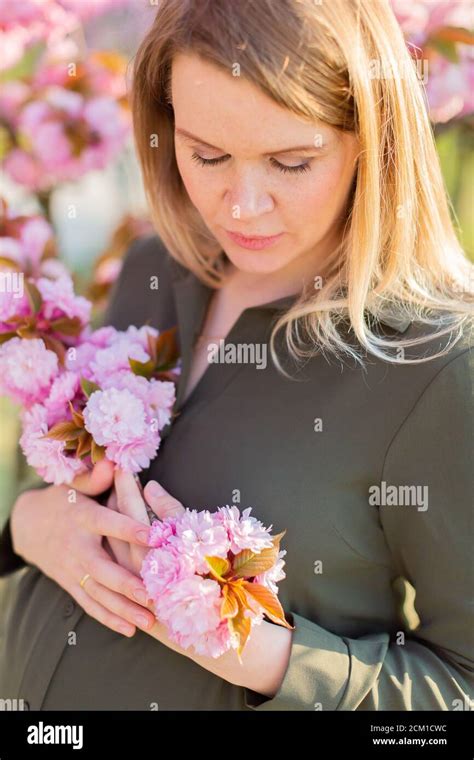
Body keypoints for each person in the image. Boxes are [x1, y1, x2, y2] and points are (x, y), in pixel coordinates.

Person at [0, 0, 472, 711]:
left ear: (371, 143)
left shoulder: (437, 366)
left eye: (291, 162)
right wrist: (30, 527)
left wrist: (262, 655)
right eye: (207, 154)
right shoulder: (154, 271)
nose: (241, 206)